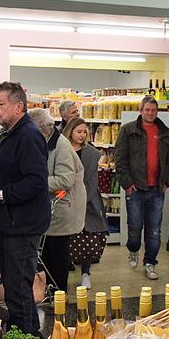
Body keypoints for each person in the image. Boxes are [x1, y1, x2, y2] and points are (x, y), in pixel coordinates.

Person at [0, 82, 50, 337]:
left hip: (23, 226)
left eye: (1, 104)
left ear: (18, 106)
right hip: (12, 224)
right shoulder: (11, 133)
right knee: (16, 287)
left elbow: (36, 182)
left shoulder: (27, 136)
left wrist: (0, 195)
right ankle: (30, 338)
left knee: (18, 289)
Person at [114, 95, 169, 280]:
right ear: (140, 111)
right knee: (134, 228)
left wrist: (167, 181)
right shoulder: (127, 130)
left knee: (154, 230)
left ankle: (150, 263)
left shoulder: (164, 132)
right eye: (147, 110)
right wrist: (127, 184)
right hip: (136, 188)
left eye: (154, 110)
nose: (150, 113)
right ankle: (133, 250)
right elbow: (120, 159)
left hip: (157, 189)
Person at [28, 108, 85, 294]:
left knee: (57, 256)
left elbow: (65, 180)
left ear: (43, 129)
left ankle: (58, 296)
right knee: (48, 255)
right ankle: (51, 293)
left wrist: (35, 183)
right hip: (51, 210)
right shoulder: (45, 143)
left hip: (61, 209)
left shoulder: (61, 146)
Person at [62, 118, 109, 288]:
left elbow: (91, 182)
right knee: (67, 239)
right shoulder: (62, 150)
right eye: (78, 131)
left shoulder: (91, 153)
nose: (82, 135)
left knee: (87, 238)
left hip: (88, 202)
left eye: (84, 131)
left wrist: (80, 200)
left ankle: (86, 273)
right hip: (64, 199)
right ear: (70, 132)